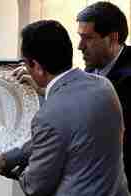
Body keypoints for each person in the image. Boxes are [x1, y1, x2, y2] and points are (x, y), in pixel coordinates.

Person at [0, 20, 130, 196]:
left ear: (38, 68)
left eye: (25, 62)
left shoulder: (48, 116)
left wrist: (4, 170)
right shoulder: (104, 86)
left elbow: (35, 187)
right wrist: (4, 159)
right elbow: (58, 136)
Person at [77, 1, 131, 189]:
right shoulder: (93, 66)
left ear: (113, 38)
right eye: (80, 37)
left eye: (88, 38)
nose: (80, 46)